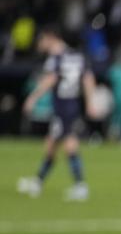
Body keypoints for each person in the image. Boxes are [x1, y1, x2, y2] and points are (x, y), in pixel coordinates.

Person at [18, 26, 96, 201]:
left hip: (62, 106)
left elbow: (50, 80)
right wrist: (90, 102)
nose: (40, 44)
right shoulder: (77, 56)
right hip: (72, 104)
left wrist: (33, 98)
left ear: (50, 37)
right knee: (52, 144)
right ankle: (38, 182)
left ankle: (80, 186)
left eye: (42, 39)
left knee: (69, 144)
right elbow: (88, 78)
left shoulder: (56, 58)